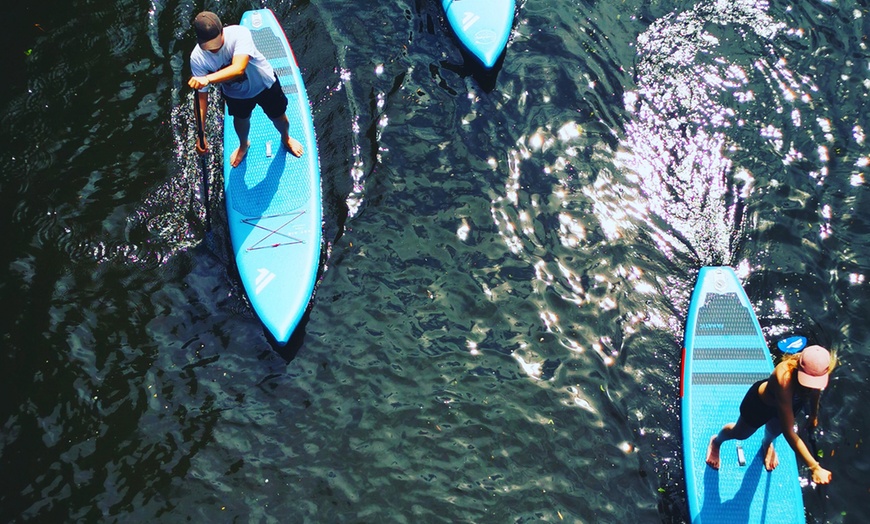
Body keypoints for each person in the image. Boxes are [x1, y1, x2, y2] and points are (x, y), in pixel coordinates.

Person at [187, 11, 304, 167]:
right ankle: (243, 145)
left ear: (222, 31)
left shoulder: (239, 33)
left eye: (216, 44)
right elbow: (201, 98)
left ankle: (286, 138)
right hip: (236, 94)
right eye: (209, 47)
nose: (214, 50)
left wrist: (207, 79)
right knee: (240, 121)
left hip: (264, 84)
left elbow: (238, 68)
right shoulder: (197, 58)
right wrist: (200, 133)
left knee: (279, 117)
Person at [705, 345, 834, 485]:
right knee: (740, 433)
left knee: (773, 432)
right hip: (760, 405)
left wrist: (814, 415)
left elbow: (815, 392)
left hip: (788, 406)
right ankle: (716, 441)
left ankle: (766, 444)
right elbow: (788, 431)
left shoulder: (819, 372)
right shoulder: (784, 378)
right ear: (799, 367)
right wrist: (814, 467)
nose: (811, 385)